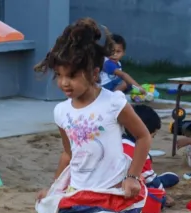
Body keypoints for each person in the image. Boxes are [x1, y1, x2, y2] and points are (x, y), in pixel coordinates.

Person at [34, 18, 151, 201]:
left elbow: (143, 136)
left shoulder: (113, 103)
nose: (64, 82)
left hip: (111, 194)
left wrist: (133, 177)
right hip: (78, 193)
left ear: (94, 73)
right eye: (59, 75)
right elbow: (68, 154)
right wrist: (54, 188)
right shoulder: (61, 111)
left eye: (72, 76)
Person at [123, 104, 179, 207]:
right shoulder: (141, 152)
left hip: (114, 185)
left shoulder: (118, 143)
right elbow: (153, 183)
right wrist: (164, 196)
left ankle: (155, 177)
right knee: (159, 199)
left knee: (164, 178)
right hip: (131, 187)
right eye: (153, 136)